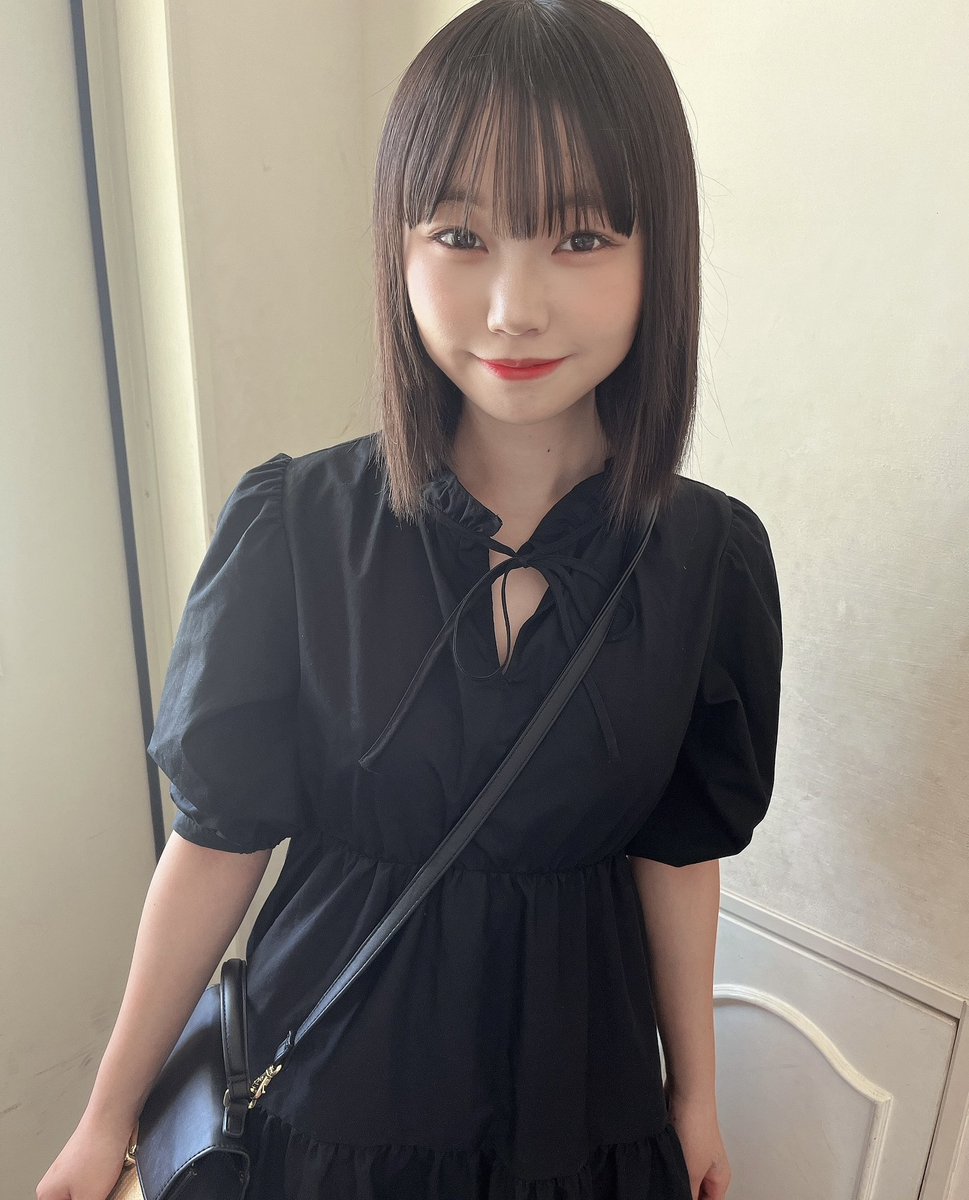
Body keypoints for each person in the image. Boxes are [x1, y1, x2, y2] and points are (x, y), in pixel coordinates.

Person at [36, 1, 783, 1198]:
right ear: (400, 246)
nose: (514, 307)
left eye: (581, 237)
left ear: (663, 254)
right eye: (462, 235)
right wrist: (106, 1117)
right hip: (330, 1113)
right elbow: (217, 845)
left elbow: (678, 852)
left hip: (584, 1115)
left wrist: (694, 1099)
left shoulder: (708, 560)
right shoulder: (297, 528)